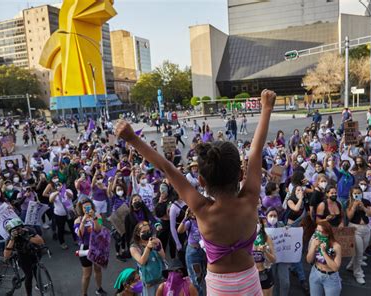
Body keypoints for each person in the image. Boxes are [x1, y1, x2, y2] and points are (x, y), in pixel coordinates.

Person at [116, 89, 277, 295]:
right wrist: (267, 109)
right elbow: (255, 152)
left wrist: (132, 138)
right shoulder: (250, 198)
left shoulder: (201, 208)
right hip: (249, 281)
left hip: (220, 287)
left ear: (200, 180)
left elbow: (167, 167)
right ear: (240, 175)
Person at [74, 198, 107, 296]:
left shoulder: (98, 216)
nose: (87, 209)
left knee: (98, 269)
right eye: (84, 207)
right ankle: (84, 294)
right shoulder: (78, 220)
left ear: (92, 206)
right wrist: (83, 221)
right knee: (87, 274)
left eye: (89, 206)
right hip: (85, 248)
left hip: (97, 247)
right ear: (81, 208)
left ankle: (99, 288)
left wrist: (95, 219)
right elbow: (79, 235)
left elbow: (99, 230)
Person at [3, 218, 45, 296]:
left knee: (35, 267)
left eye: (19, 228)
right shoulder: (10, 238)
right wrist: (12, 240)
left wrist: (28, 237)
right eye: (15, 230)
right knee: (29, 276)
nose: (18, 231)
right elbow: (6, 256)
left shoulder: (28, 230)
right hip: (22, 256)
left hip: (33, 252)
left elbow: (41, 241)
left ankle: (39, 285)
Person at [346, 186, 371, 284]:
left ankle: (350, 266)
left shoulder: (366, 201)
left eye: (359, 193)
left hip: (366, 228)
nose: (357, 195)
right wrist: (353, 206)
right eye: (355, 193)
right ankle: (358, 273)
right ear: (352, 194)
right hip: (354, 228)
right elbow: (349, 217)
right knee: (359, 252)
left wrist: (363, 207)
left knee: (360, 250)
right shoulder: (348, 202)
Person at [306, 221, 342, 296]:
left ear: (327, 233)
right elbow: (309, 260)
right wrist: (313, 247)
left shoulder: (336, 246)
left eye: (320, 231)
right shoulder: (314, 241)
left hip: (330, 277)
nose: (317, 233)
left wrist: (324, 252)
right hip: (316, 273)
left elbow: (335, 268)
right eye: (317, 230)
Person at [130, 221, 166, 296]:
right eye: (144, 232)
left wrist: (159, 248)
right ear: (137, 233)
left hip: (160, 276)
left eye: (148, 231)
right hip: (148, 280)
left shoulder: (156, 240)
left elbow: (163, 257)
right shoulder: (134, 247)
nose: (147, 233)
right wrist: (148, 247)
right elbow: (142, 261)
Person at [178, 208, 206, 296]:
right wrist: (185, 218)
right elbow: (180, 230)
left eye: (195, 211)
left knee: (204, 275)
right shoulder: (189, 222)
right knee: (195, 278)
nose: (193, 213)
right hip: (193, 253)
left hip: (204, 251)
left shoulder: (203, 221)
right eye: (191, 212)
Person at [254, 217, 276, 296]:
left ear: (261, 225)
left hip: (265, 274)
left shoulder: (267, 238)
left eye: (257, 222)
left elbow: (274, 260)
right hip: (251, 275)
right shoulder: (244, 240)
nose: (255, 225)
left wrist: (265, 251)